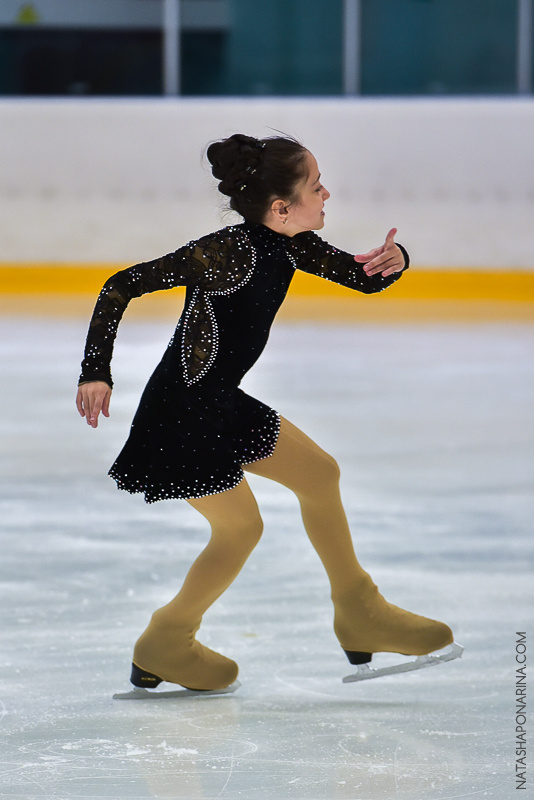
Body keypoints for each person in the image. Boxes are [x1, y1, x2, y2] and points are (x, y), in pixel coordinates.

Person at [77, 133, 454, 692]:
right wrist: (96, 370)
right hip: (179, 416)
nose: (327, 194)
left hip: (220, 404)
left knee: (319, 474)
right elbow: (120, 285)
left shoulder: (292, 245)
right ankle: (166, 640)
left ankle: (360, 610)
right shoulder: (226, 252)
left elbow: (362, 277)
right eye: (316, 186)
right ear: (281, 208)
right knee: (240, 530)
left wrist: (398, 260)